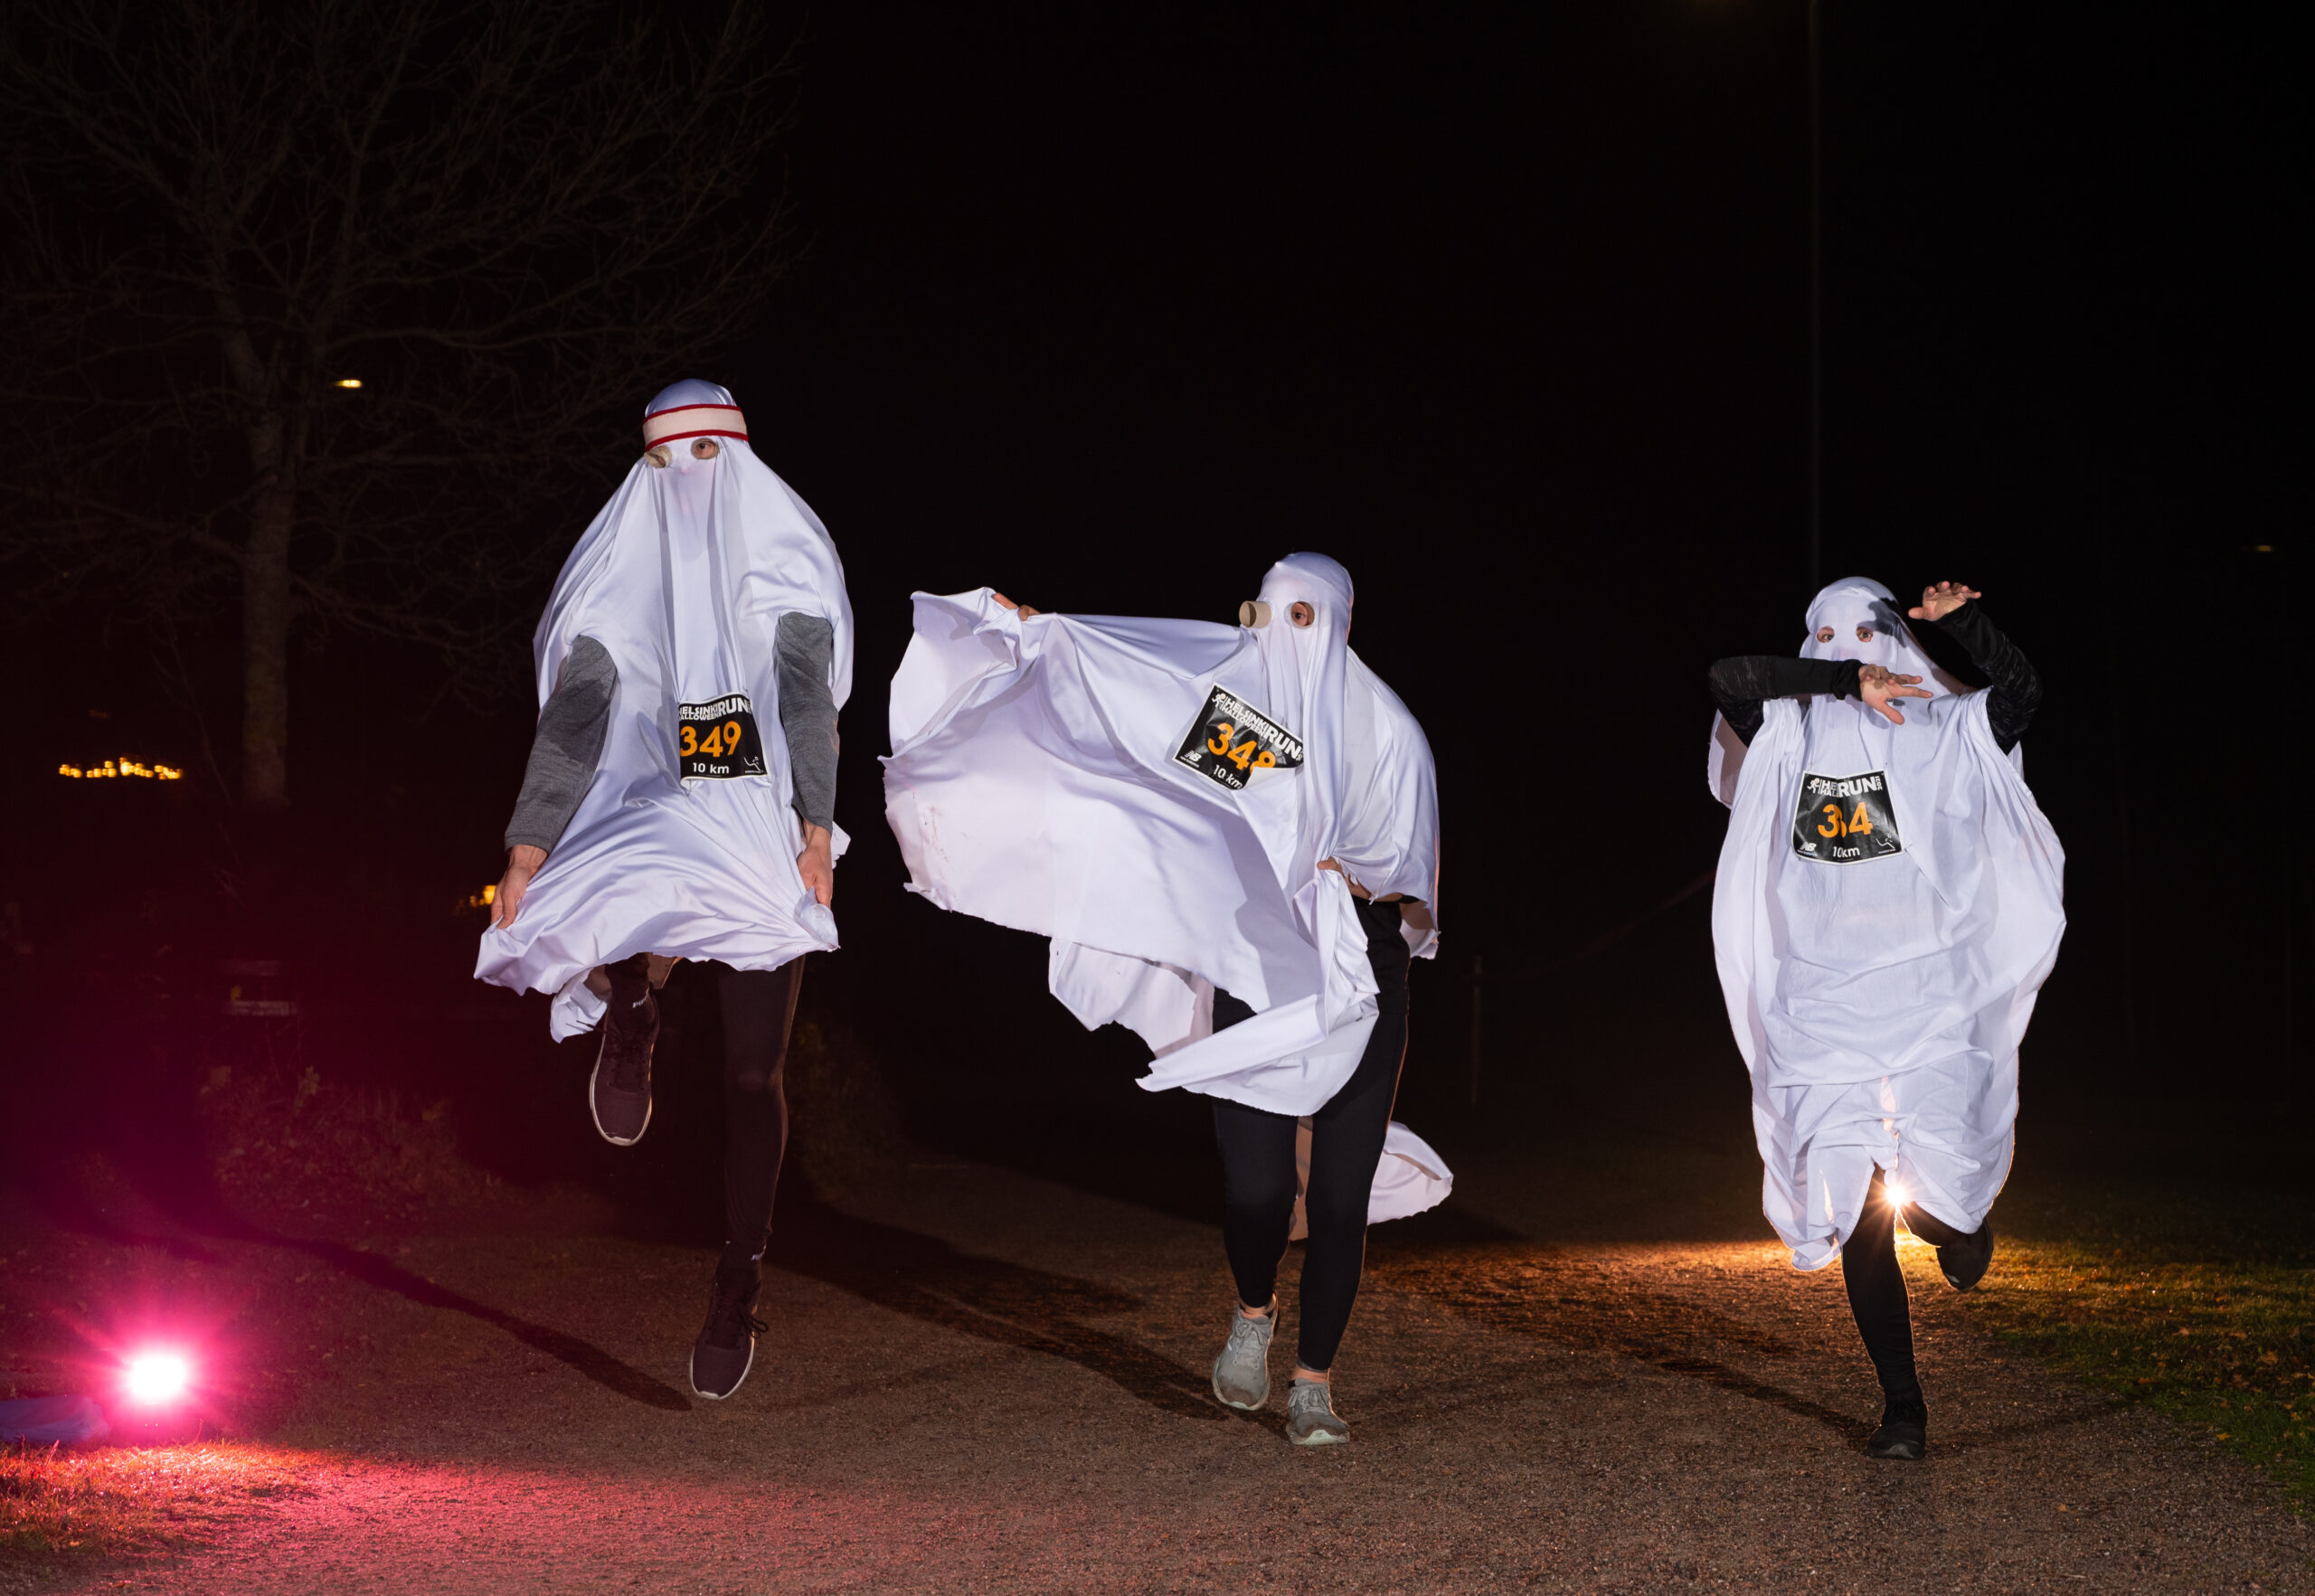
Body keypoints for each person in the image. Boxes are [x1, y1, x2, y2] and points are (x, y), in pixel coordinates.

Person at [881, 554, 1446, 1446]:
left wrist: (1353, 877)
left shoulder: (1387, 731)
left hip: (1358, 973)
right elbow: (1139, 707)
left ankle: (1312, 1384)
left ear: (1336, 624)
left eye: (1301, 619)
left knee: (1338, 1198)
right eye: (1264, 614)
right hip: (1253, 959)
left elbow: (1414, 886)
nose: (1275, 637)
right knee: (1259, 1189)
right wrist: (1046, 639)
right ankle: (1252, 1312)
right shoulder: (1240, 722)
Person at [475, 380, 852, 1402]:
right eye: (663, 462)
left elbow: (810, 702)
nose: (687, 483)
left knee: (747, 1075)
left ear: (738, 459)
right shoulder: (614, 586)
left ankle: (739, 1279)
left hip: (763, 822)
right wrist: (524, 848)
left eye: (706, 459)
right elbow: (574, 722)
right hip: (657, 805)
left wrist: (816, 829)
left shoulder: (783, 568)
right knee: (610, 878)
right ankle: (633, 1004)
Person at [1706, 578, 2065, 1460]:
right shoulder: (1786, 736)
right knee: (1856, 1210)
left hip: (1927, 1001)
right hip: (1824, 1011)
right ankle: (1902, 1406)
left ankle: (1956, 1221)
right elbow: (1726, 676)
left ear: (1897, 640)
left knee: (1924, 1210)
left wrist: (1965, 626)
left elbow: (2020, 696)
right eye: (1826, 636)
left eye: (1865, 633)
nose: (1847, 648)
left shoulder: (1940, 732)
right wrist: (1836, 686)